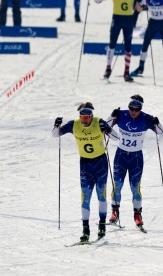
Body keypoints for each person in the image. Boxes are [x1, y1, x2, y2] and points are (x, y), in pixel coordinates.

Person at [52, 102, 119, 242]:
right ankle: (86, 231)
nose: (85, 120)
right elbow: (55, 135)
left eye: (87, 118)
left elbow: (116, 138)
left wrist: (107, 129)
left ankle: (102, 226)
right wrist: (56, 125)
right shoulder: (74, 124)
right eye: (83, 118)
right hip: (85, 164)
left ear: (91, 116)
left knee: (101, 195)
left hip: (100, 163)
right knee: (85, 198)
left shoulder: (98, 122)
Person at [106, 95, 163, 229]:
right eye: (131, 108)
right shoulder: (121, 115)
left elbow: (159, 132)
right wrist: (111, 116)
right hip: (121, 156)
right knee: (117, 185)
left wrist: (157, 122)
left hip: (136, 158)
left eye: (136, 109)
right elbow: (106, 127)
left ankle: (137, 215)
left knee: (135, 187)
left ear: (140, 109)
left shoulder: (145, 118)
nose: (133, 111)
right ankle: (115, 212)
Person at [88, 0, 143, 82]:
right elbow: (99, 0)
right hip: (117, 19)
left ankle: (126, 73)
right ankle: (108, 69)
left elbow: (141, 5)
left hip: (128, 20)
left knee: (128, 46)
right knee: (112, 44)